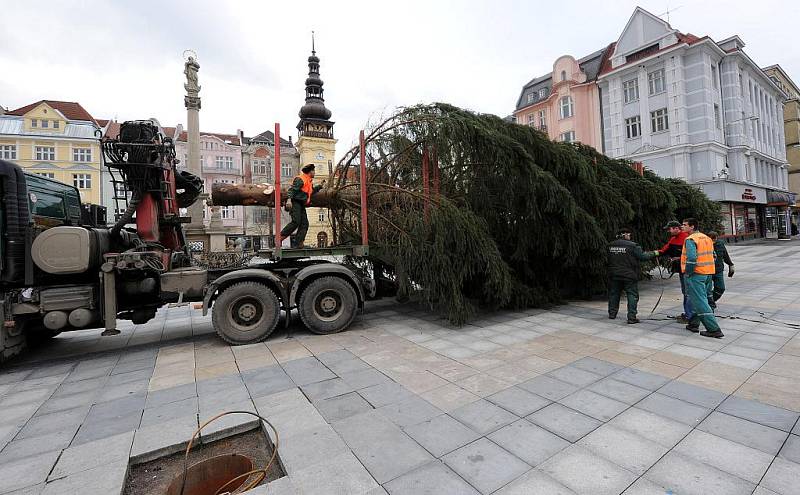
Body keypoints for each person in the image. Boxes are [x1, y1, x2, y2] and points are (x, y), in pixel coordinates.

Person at [680, 218, 724, 338]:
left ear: (692, 227)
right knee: (698, 299)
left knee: (700, 301)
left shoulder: (690, 239)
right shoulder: (707, 238)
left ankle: (714, 329)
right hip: (707, 273)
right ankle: (693, 324)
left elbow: (692, 259)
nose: (682, 227)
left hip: (696, 274)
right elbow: (713, 255)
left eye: (684, 225)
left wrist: (688, 273)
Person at [607, 227, 658, 324]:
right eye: (629, 234)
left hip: (614, 274)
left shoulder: (610, 245)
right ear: (624, 234)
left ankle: (612, 314)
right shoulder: (633, 246)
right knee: (632, 295)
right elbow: (643, 257)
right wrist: (654, 253)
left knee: (614, 294)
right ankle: (631, 317)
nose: (630, 236)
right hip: (629, 275)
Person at [656, 220, 692, 323]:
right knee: (685, 292)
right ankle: (688, 314)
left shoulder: (687, 239)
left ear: (676, 228)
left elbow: (692, 255)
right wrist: (651, 254)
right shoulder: (673, 239)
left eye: (670, 229)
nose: (668, 231)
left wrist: (678, 258)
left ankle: (690, 316)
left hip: (688, 270)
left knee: (688, 293)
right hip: (682, 270)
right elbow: (663, 251)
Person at [280, 164, 324, 248]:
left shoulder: (308, 181)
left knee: (305, 224)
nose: (315, 172)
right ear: (310, 171)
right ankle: (279, 238)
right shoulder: (300, 179)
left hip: (301, 204)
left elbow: (311, 192)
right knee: (296, 221)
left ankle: (299, 243)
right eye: (314, 171)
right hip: (295, 202)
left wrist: (320, 186)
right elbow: (292, 190)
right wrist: (289, 200)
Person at [706, 231, 734, 308]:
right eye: (712, 240)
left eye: (715, 240)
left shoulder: (720, 244)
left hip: (718, 270)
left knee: (721, 288)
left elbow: (725, 255)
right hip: (707, 270)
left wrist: (731, 265)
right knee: (707, 290)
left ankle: (710, 301)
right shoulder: (704, 244)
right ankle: (709, 304)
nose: (714, 242)